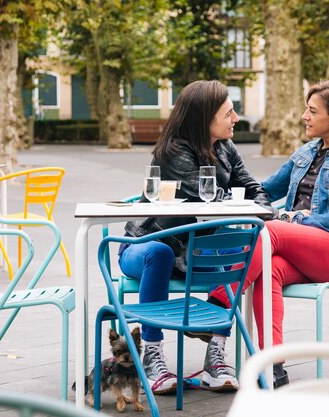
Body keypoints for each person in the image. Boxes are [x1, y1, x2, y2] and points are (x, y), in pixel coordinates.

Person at [207, 79, 329, 388]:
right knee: (268, 268)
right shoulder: (306, 152)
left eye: (313, 111)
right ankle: (273, 366)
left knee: (270, 231)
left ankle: (218, 305)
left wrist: (295, 220)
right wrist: (219, 194)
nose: (305, 116)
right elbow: (264, 190)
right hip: (295, 246)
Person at [118, 80, 275, 394]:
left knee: (232, 249)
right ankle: (152, 353)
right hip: (147, 247)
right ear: (205, 119)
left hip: (197, 252)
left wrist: (254, 203)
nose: (236, 119)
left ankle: (216, 357)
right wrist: (242, 202)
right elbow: (207, 198)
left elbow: (257, 192)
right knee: (161, 252)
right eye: (229, 113)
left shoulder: (226, 148)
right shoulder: (175, 151)